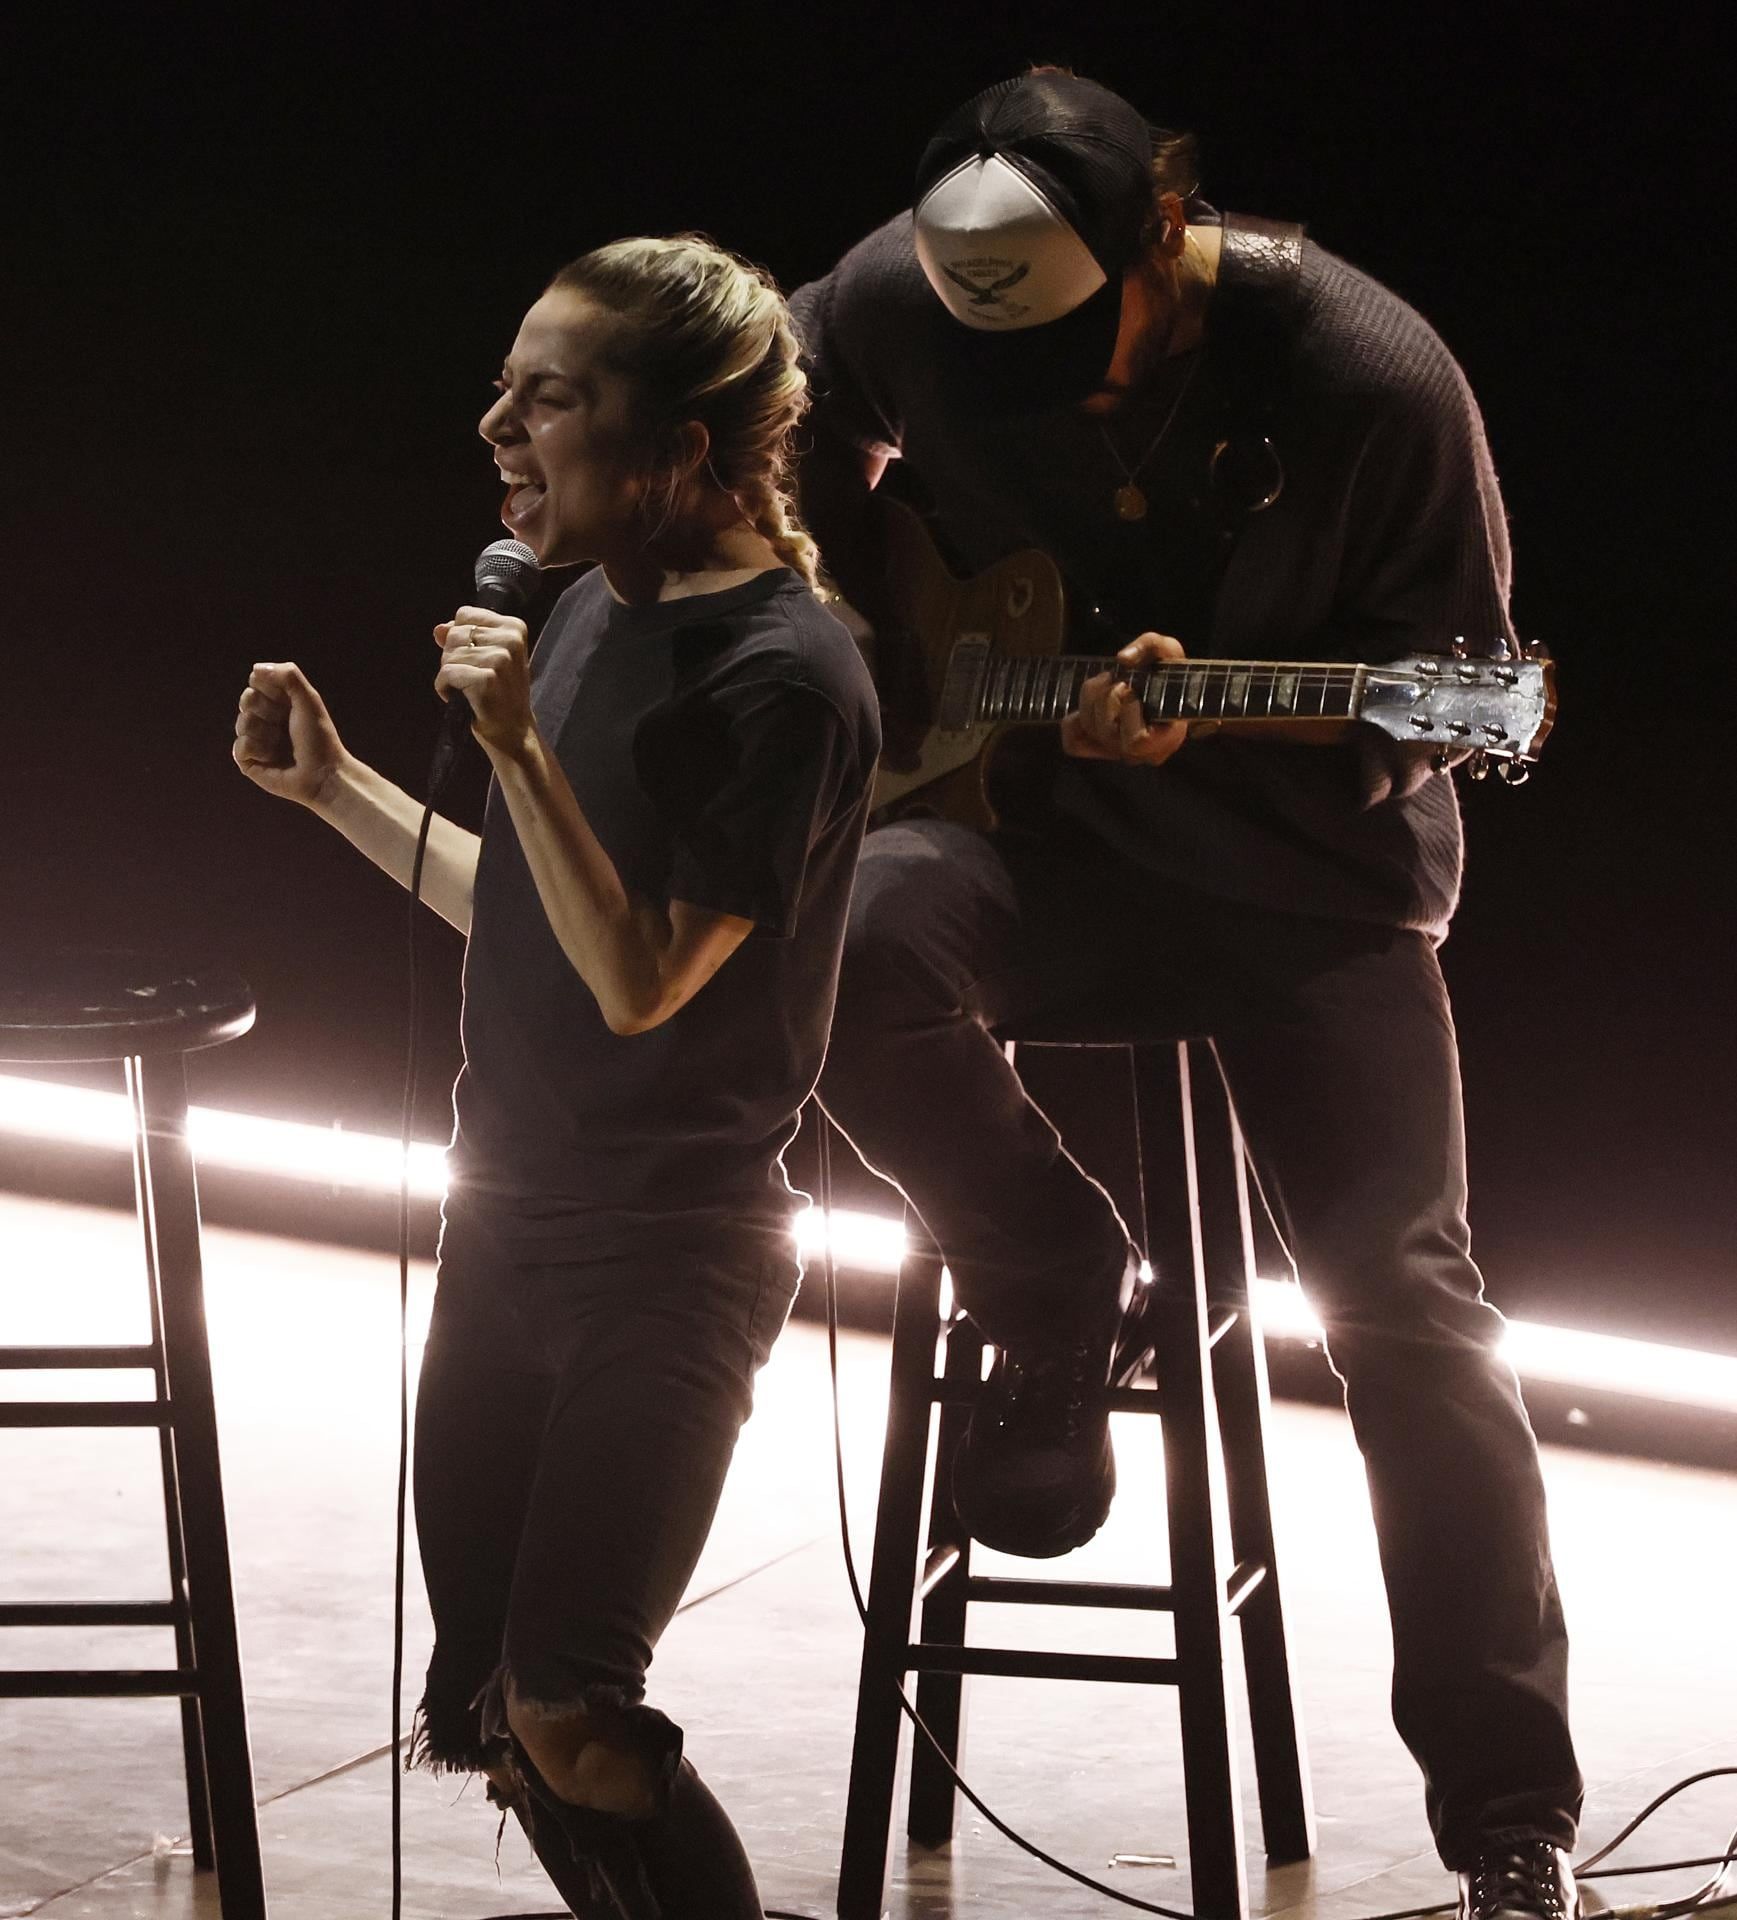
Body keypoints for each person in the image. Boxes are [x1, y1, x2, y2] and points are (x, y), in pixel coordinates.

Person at [790, 69, 1582, 1920]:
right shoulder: (894, 294)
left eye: (1069, 334)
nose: (1035, 385)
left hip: (1304, 890)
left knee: (1402, 1300)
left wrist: (1236, 697)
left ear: (1163, 233)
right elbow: (786, 444)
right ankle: (1054, 1263)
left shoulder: (1367, 374)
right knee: (844, 947)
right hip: (1024, 838)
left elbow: (1468, 684)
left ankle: (1507, 1829)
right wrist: (852, 625)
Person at [233, 234, 880, 1919]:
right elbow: (524, 907)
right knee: (500, 1717)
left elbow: (643, 976)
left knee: (573, 1707)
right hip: (506, 1233)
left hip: (666, 1260)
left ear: (676, 445)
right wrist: (344, 795)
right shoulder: (589, 609)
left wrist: (519, 742)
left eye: (551, 396)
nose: (495, 426)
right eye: (507, 384)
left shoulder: (785, 677)